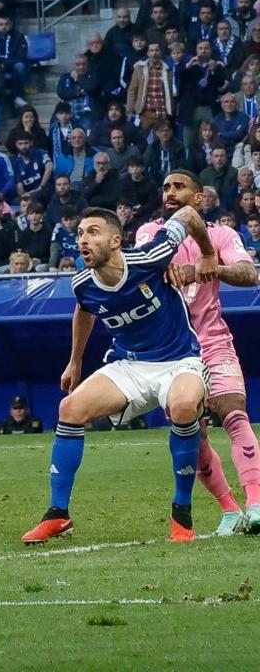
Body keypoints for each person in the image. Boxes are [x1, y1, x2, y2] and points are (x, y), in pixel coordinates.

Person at [22, 205, 216, 545]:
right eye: (80, 233)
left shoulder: (151, 256)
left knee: (184, 406)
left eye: (93, 232)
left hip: (179, 360)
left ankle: (181, 515)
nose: (83, 239)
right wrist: (75, 362)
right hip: (130, 364)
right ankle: (57, 514)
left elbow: (187, 212)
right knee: (70, 409)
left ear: (116, 240)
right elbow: (84, 311)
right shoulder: (82, 283)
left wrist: (209, 253)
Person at [135, 172, 260, 535]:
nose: (169, 192)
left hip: (213, 341)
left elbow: (248, 273)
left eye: (178, 187)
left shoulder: (220, 234)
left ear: (199, 196)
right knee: (193, 432)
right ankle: (230, 509)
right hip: (171, 351)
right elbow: (147, 263)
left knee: (234, 413)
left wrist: (211, 267)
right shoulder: (150, 233)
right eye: (165, 187)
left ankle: (255, 503)